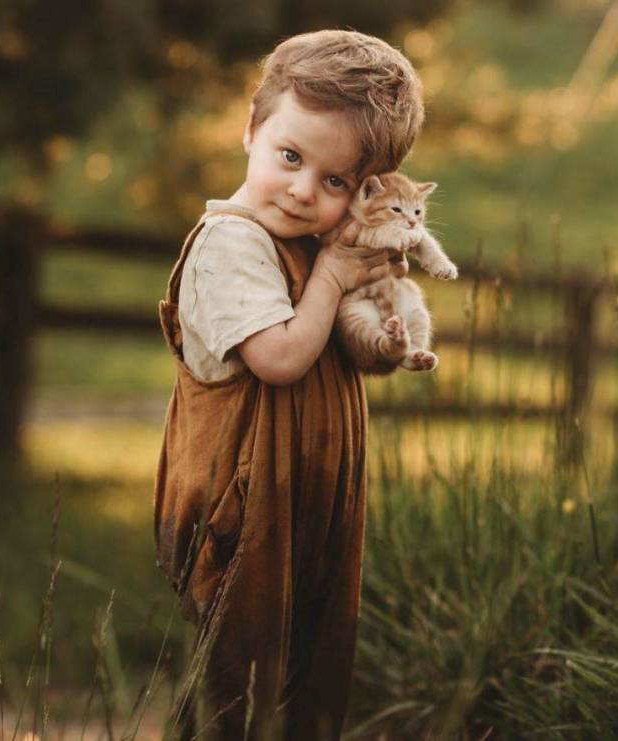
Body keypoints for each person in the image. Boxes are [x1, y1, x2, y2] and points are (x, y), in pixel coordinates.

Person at [153, 29, 424, 740]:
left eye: (335, 182)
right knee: (237, 689)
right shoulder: (232, 244)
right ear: (251, 128)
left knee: (308, 683)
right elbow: (278, 355)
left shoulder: (315, 246)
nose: (304, 191)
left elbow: (344, 349)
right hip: (240, 520)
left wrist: (384, 342)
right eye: (291, 157)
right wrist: (334, 279)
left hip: (310, 510)